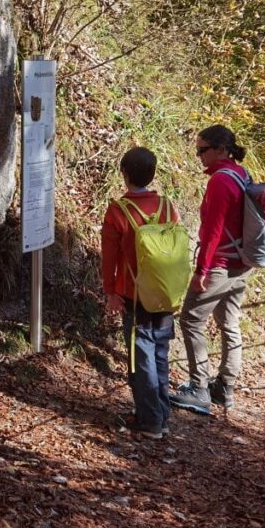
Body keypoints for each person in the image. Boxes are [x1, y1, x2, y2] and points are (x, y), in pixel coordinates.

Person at [171, 125, 251, 415]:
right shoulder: (242, 174)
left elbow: (214, 231)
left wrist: (201, 271)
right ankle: (224, 389)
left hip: (219, 265)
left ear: (221, 150)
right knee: (229, 323)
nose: (198, 155)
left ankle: (199, 388)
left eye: (203, 150)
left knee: (191, 320)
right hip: (241, 264)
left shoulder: (220, 181)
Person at [101, 147, 180, 439]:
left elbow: (108, 257)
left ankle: (150, 421)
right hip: (165, 291)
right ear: (153, 174)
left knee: (141, 355)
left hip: (134, 293)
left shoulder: (118, 210)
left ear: (124, 174)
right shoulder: (167, 206)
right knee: (159, 352)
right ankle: (161, 413)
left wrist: (110, 291)